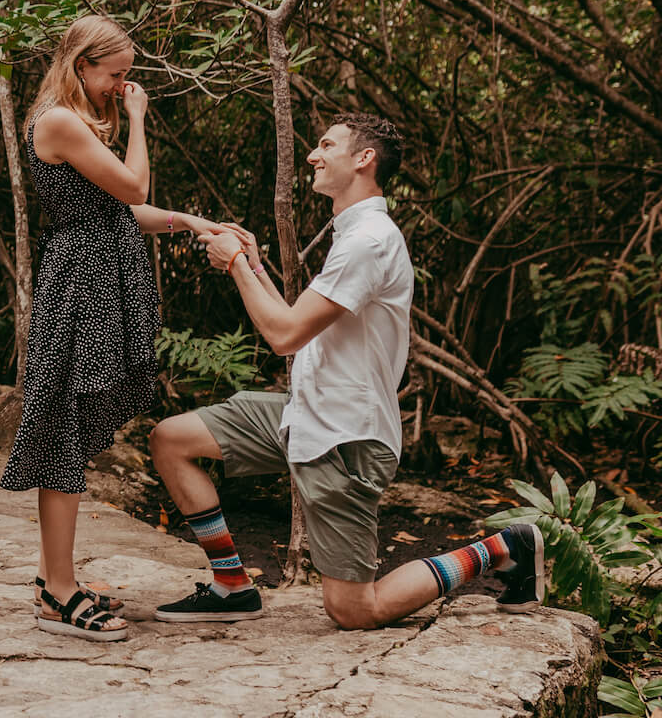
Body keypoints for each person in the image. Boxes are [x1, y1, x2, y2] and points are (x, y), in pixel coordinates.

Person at [148, 113, 545, 628]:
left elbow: (284, 335)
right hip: (305, 414)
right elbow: (298, 322)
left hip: (345, 439)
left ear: (364, 159)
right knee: (171, 440)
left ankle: (503, 547)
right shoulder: (354, 234)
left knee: (355, 611)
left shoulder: (368, 242)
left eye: (326, 145)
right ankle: (232, 586)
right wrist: (255, 264)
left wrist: (236, 265)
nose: (313, 155)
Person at [0, 15, 226, 641]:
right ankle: (59, 593)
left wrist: (190, 222)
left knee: (68, 431)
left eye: (128, 78)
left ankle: (54, 580)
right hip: (80, 287)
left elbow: (122, 212)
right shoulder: (58, 120)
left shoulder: (77, 122)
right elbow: (133, 186)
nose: (122, 86)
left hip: (100, 282)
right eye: (115, 74)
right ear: (82, 65)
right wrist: (139, 119)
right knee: (62, 428)